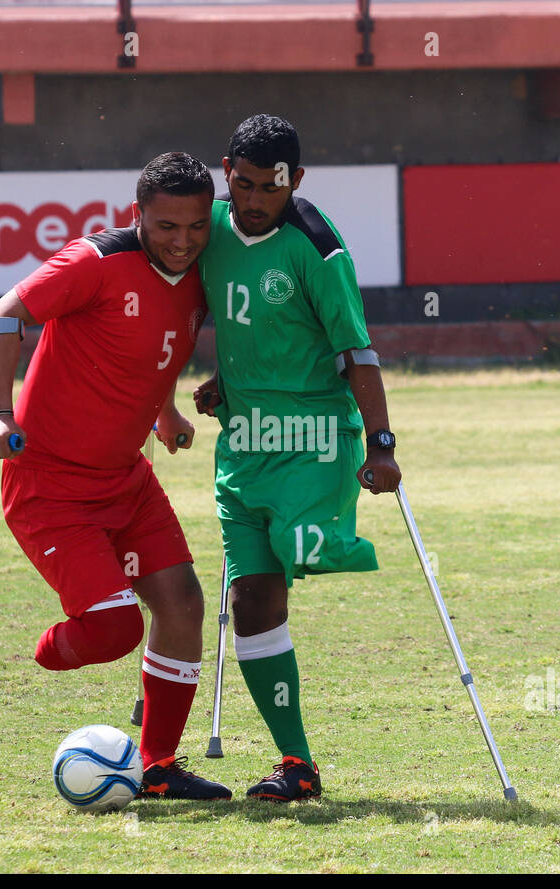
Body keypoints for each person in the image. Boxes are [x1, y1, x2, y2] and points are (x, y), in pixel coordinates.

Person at [0, 152, 230, 800]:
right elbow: (3, 318)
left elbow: (151, 353)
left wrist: (165, 413)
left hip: (126, 481)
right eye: (167, 226)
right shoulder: (95, 262)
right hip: (50, 487)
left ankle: (160, 769)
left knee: (183, 606)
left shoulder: (202, 273)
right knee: (118, 630)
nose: (183, 241)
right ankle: (46, 649)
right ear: (137, 215)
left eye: (196, 226)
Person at [193, 115, 401, 802]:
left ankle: (330, 541)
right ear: (227, 170)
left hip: (314, 441)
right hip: (245, 447)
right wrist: (226, 378)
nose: (255, 201)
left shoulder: (317, 246)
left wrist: (381, 445)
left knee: (297, 555)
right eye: (244, 185)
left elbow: (355, 352)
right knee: (249, 597)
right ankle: (297, 764)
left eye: (271, 189)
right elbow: (226, 314)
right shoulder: (210, 228)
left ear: (297, 182)